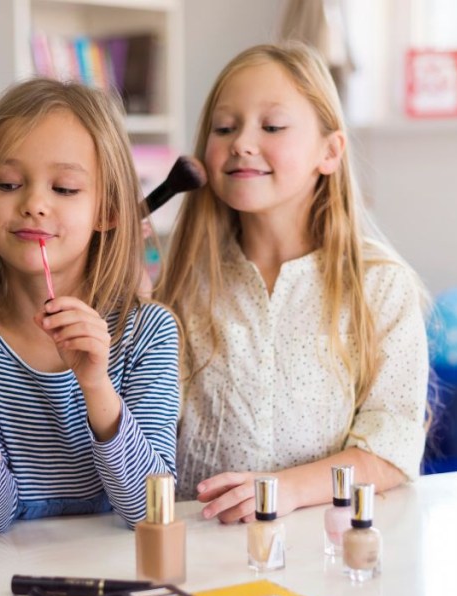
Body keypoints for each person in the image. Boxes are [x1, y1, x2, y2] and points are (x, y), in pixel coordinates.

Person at [156, 43, 430, 523]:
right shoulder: (181, 286)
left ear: (329, 151)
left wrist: (286, 489)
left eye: (273, 126)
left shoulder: (381, 288)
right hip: (201, 545)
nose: (242, 141)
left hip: (323, 548)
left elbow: (391, 446)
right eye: (224, 128)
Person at [0, 78, 179, 533]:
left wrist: (97, 385)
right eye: (7, 183)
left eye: (64, 188)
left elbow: (149, 510)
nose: (34, 204)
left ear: (109, 211)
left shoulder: (149, 333)